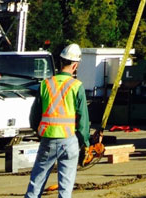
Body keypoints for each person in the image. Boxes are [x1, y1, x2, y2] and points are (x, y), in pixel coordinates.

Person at [24, 42, 90, 198]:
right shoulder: (76, 86)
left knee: (36, 182)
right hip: (69, 141)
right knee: (65, 188)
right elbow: (83, 120)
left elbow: (34, 116)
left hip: (48, 140)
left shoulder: (45, 85)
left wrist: (39, 132)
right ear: (75, 66)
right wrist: (84, 142)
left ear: (60, 62)